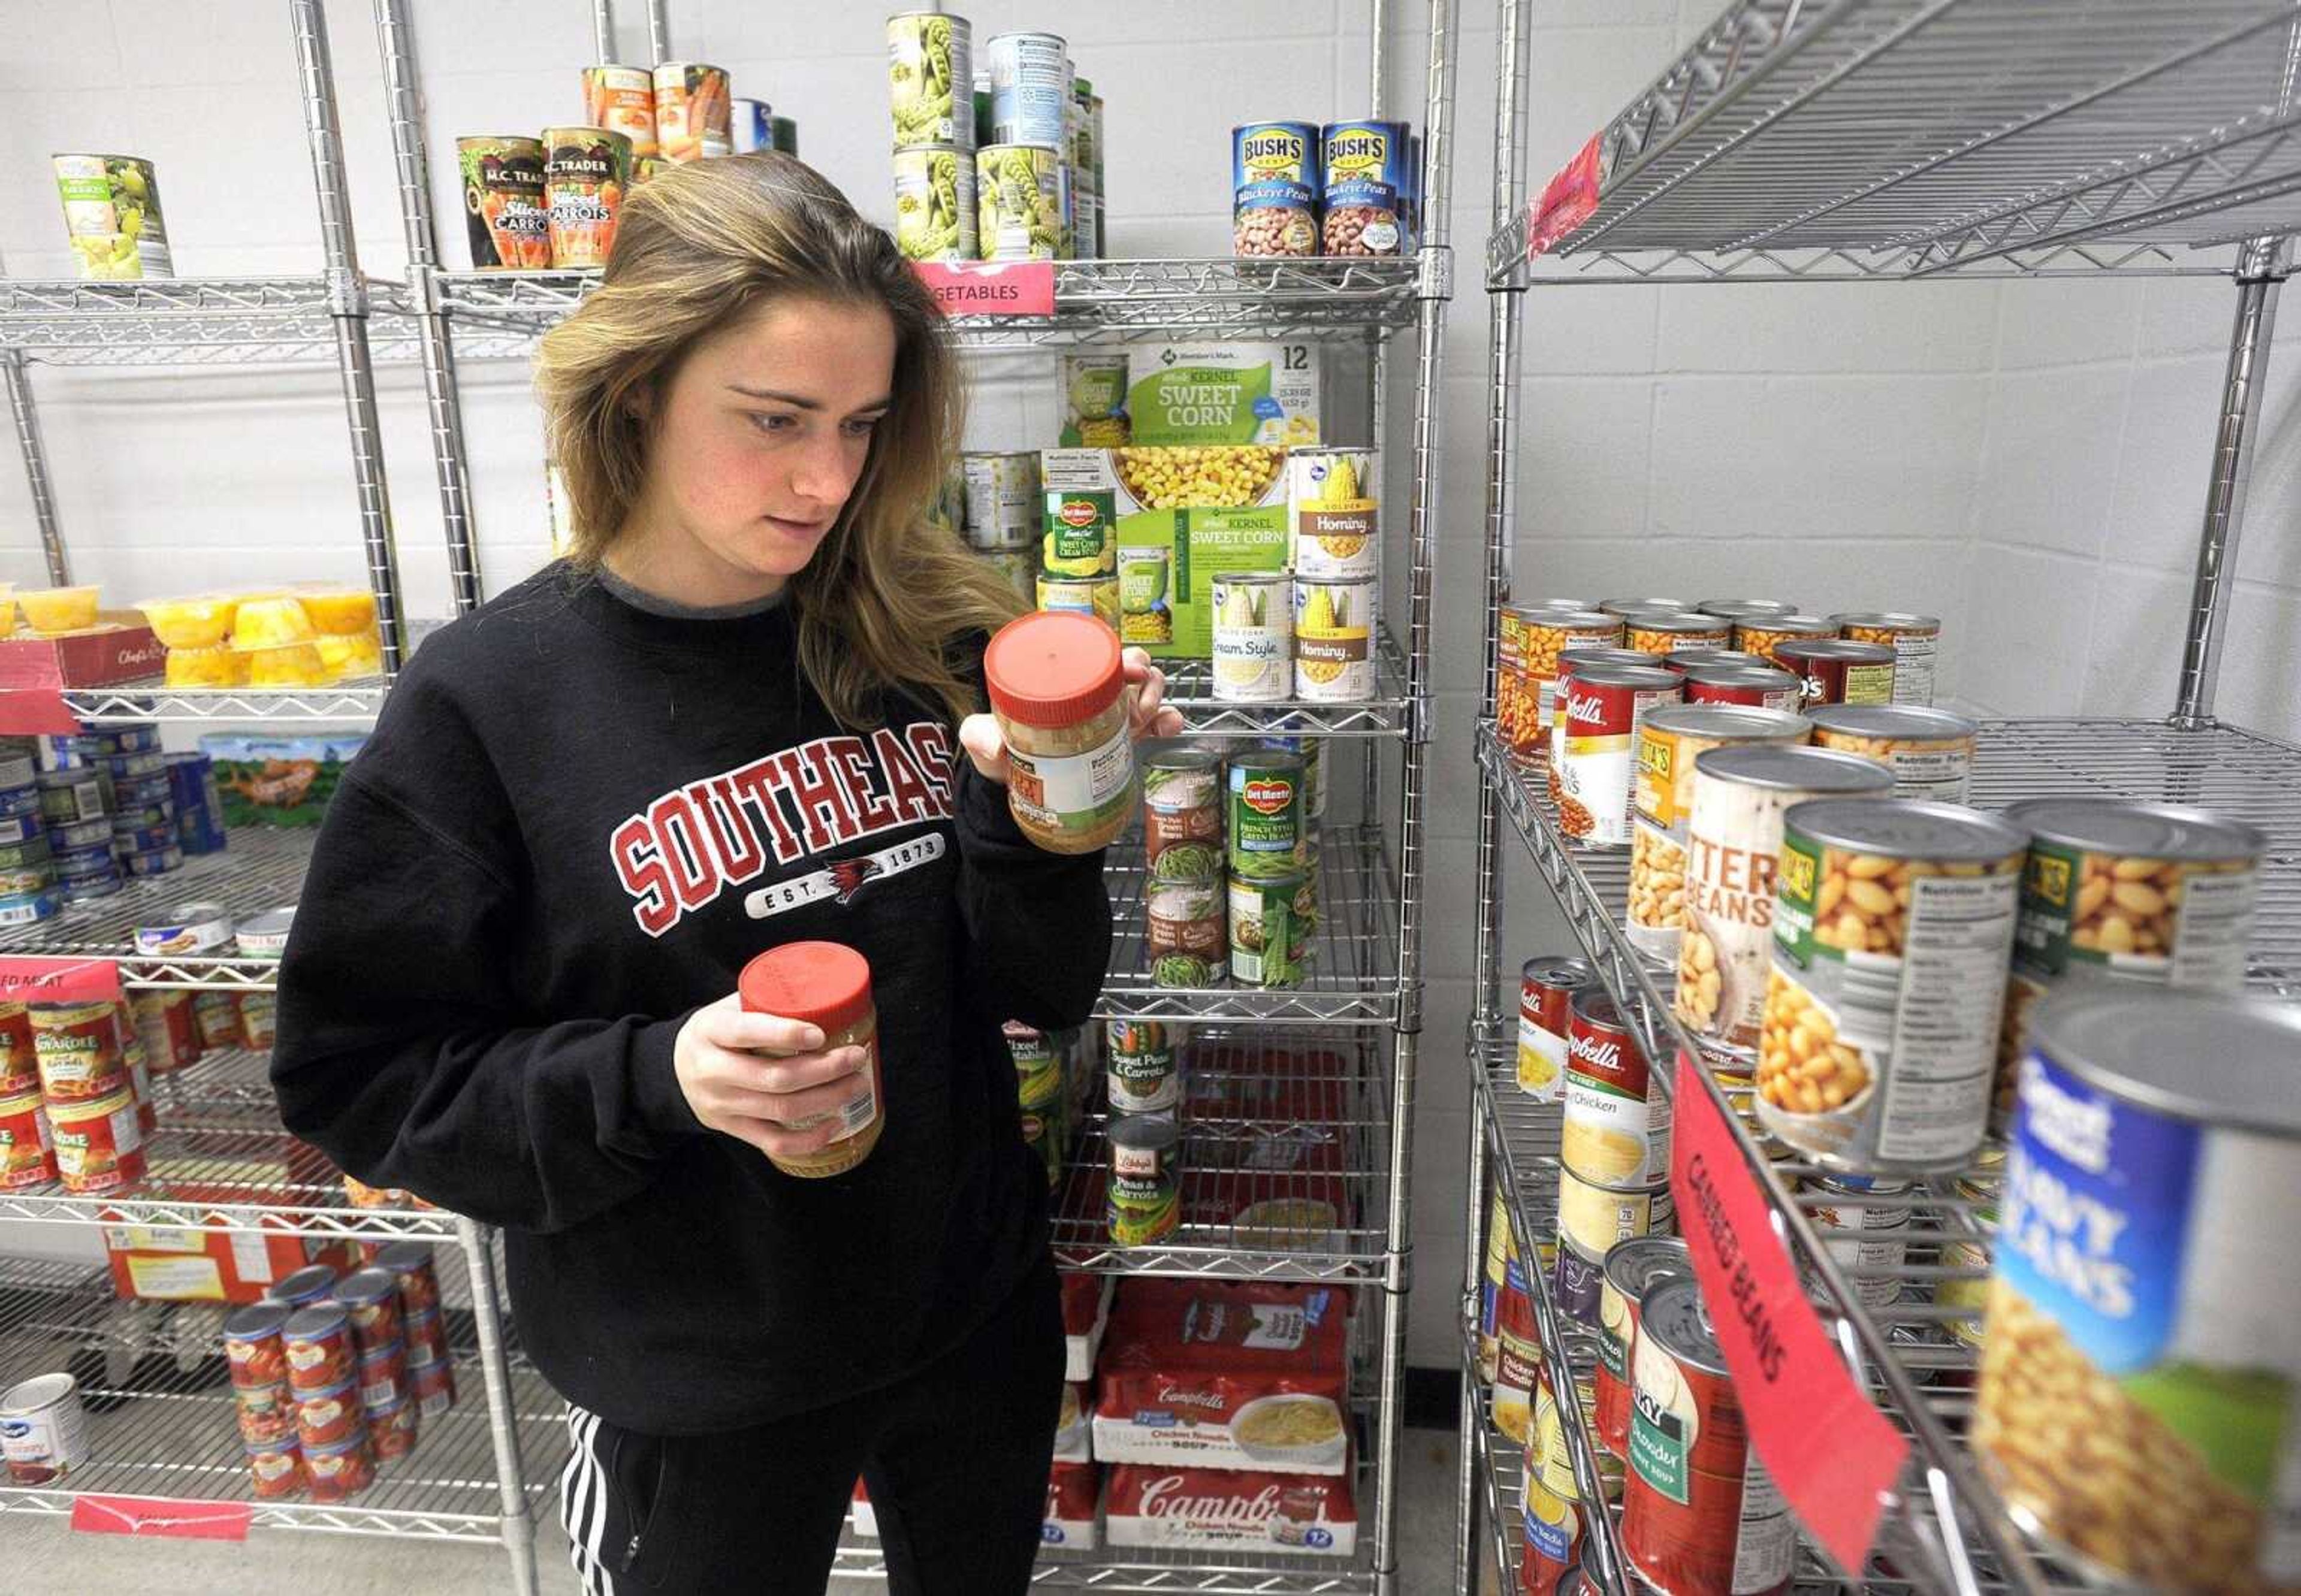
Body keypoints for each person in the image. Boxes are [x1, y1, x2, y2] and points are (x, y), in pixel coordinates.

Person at [271, 153, 1179, 1594]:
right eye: (774, 421)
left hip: (966, 1304)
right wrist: (659, 1079)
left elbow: (1043, 992)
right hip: (695, 1364)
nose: (829, 479)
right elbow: (359, 1081)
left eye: (866, 427)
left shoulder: (924, 632)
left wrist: (1046, 814)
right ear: (638, 394)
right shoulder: (489, 703)